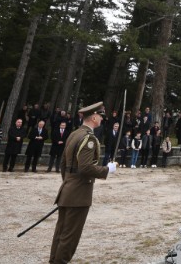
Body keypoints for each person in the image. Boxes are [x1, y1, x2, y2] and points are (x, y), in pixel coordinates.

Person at [49, 102, 116, 264]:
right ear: (94, 117)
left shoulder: (74, 134)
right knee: (70, 236)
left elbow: (64, 165)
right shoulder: (88, 138)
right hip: (78, 194)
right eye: (100, 116)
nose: (101, 119)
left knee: (61, 233)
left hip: (68, 189)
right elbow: (85, 167)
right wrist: (107, 169)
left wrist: (68, 183)